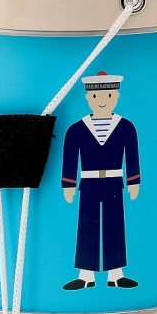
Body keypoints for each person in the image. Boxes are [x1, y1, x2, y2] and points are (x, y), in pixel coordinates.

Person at [61, 71, 140, 290]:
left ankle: (116, 273)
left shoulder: (126, 127)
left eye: (109, 95)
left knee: (115, 224)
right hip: (88, 184)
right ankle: (86, 275)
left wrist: (133, 181)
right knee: (87, 225)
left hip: (115, 182)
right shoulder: (76, 129)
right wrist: (68, 184)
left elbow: (132, 156)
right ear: (88, 98)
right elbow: (70, 159)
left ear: (116, 97)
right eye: (96, 96)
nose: (102, 101)